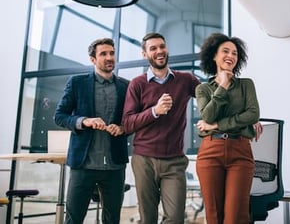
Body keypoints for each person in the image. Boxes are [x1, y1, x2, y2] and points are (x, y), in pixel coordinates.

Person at [121, 32, 201, 224]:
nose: (159, 51)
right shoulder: (137, 84)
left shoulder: (185, 80)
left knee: (175, 218)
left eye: (162, 47)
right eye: (153, 48)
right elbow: (127, 124)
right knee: (147, 218)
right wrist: (154, 111)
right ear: (144, 54)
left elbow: (210, 99)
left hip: (174, 161)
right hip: (144, 161)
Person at [54, 38, 129, 224]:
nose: (109, 57)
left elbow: (131, 120)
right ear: (92, 59)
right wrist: (84, 121)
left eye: (111, 53)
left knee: (112, 219)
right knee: (74, 219)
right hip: (83, 164)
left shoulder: (126, 86)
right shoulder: (77, 83)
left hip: (114, 165)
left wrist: (122, 128)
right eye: (103, 54)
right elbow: (60, 116)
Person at [195, 33, 261, 224]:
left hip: (240, 150)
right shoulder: (203, 89)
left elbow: (253, 114)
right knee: (214, 216)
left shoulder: (246, 85)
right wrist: (222, 86)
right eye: (225, 51)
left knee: (235, 217)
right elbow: (207, 115)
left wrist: (216, 125)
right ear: (214, 56)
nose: (230, 56)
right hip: (210, 152)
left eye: (234, 53)